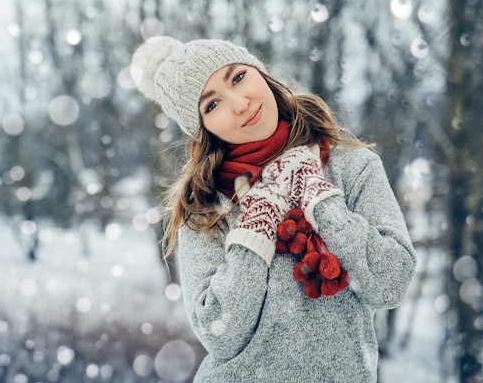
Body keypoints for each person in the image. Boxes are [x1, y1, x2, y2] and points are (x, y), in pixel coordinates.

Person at [130, 36, 417, 383]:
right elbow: (218, 334)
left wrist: (323, 203)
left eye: (237, 78)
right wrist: (255, 227)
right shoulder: (205, 208)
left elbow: (392, 283)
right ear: (202, 129)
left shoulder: (351, 168)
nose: (239, 103)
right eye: (212, 105)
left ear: (260, 73)